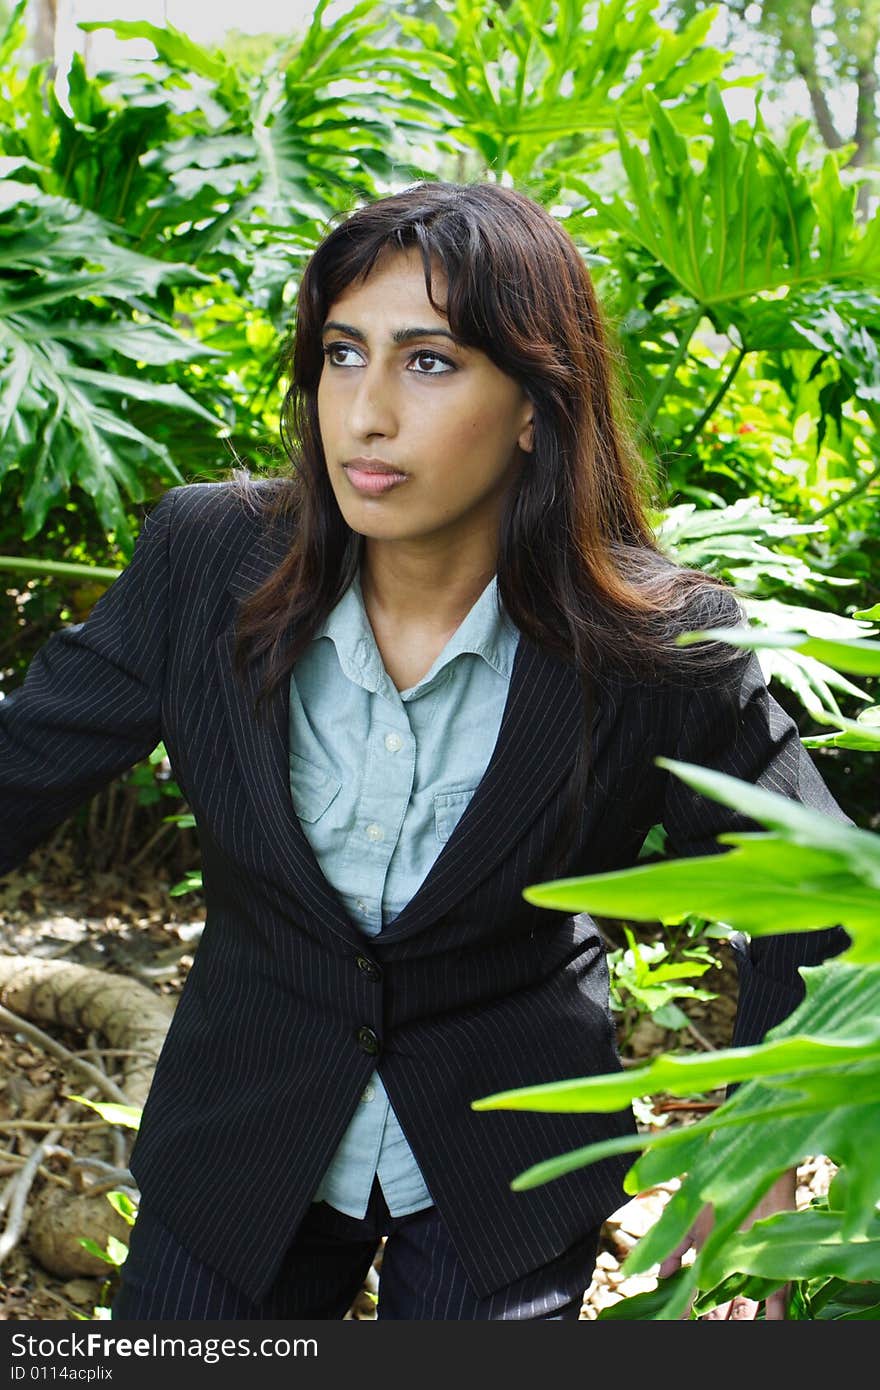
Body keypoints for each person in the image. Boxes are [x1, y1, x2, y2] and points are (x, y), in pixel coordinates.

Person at [0, 181, 850, 1322]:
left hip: (501, 1160)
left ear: (535, 406)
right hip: (241, 1138)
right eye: (343, 354)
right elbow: (20, 764)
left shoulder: (658, 643)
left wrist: (763, 1135)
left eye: (430, 362)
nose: (365, 413)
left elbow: (814, 891)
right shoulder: (206, 564)